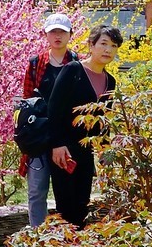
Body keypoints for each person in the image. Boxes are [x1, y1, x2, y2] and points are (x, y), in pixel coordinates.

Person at [47, 24, 123, 228]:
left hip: (87, 151)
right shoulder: (73, 70)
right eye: (103, 44)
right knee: (65, 205)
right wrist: (57, 144)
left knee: (82, 203)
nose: (108, 50)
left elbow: (103, 119)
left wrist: (106, 151)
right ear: (91, 45)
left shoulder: (111, 81)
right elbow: (54, 109)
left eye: (113, 46)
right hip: (64, 149)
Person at [20, 12, 77, 227]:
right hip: (40, 137)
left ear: (70, 34)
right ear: (45, 35)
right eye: (53, 31)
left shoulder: (76, 63)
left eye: (62, 31)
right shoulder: (35, 64)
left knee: (67, 190)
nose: (57, 36)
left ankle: (68, 234)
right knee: (37, 191)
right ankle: (38, 235)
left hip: (66, 136)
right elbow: (27, 101)